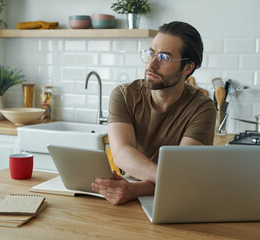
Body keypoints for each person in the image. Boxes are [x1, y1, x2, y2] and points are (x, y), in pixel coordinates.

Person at [91, 21, 216, 205]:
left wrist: (136, 190)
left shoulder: (202, 108)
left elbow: (183, 174)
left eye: (165, 57)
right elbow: (122, 152)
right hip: (125, 194)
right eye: (151, 53)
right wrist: (166, 179)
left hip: (174, 200)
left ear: (187, 68)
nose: (152, 64)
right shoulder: (124, 95)